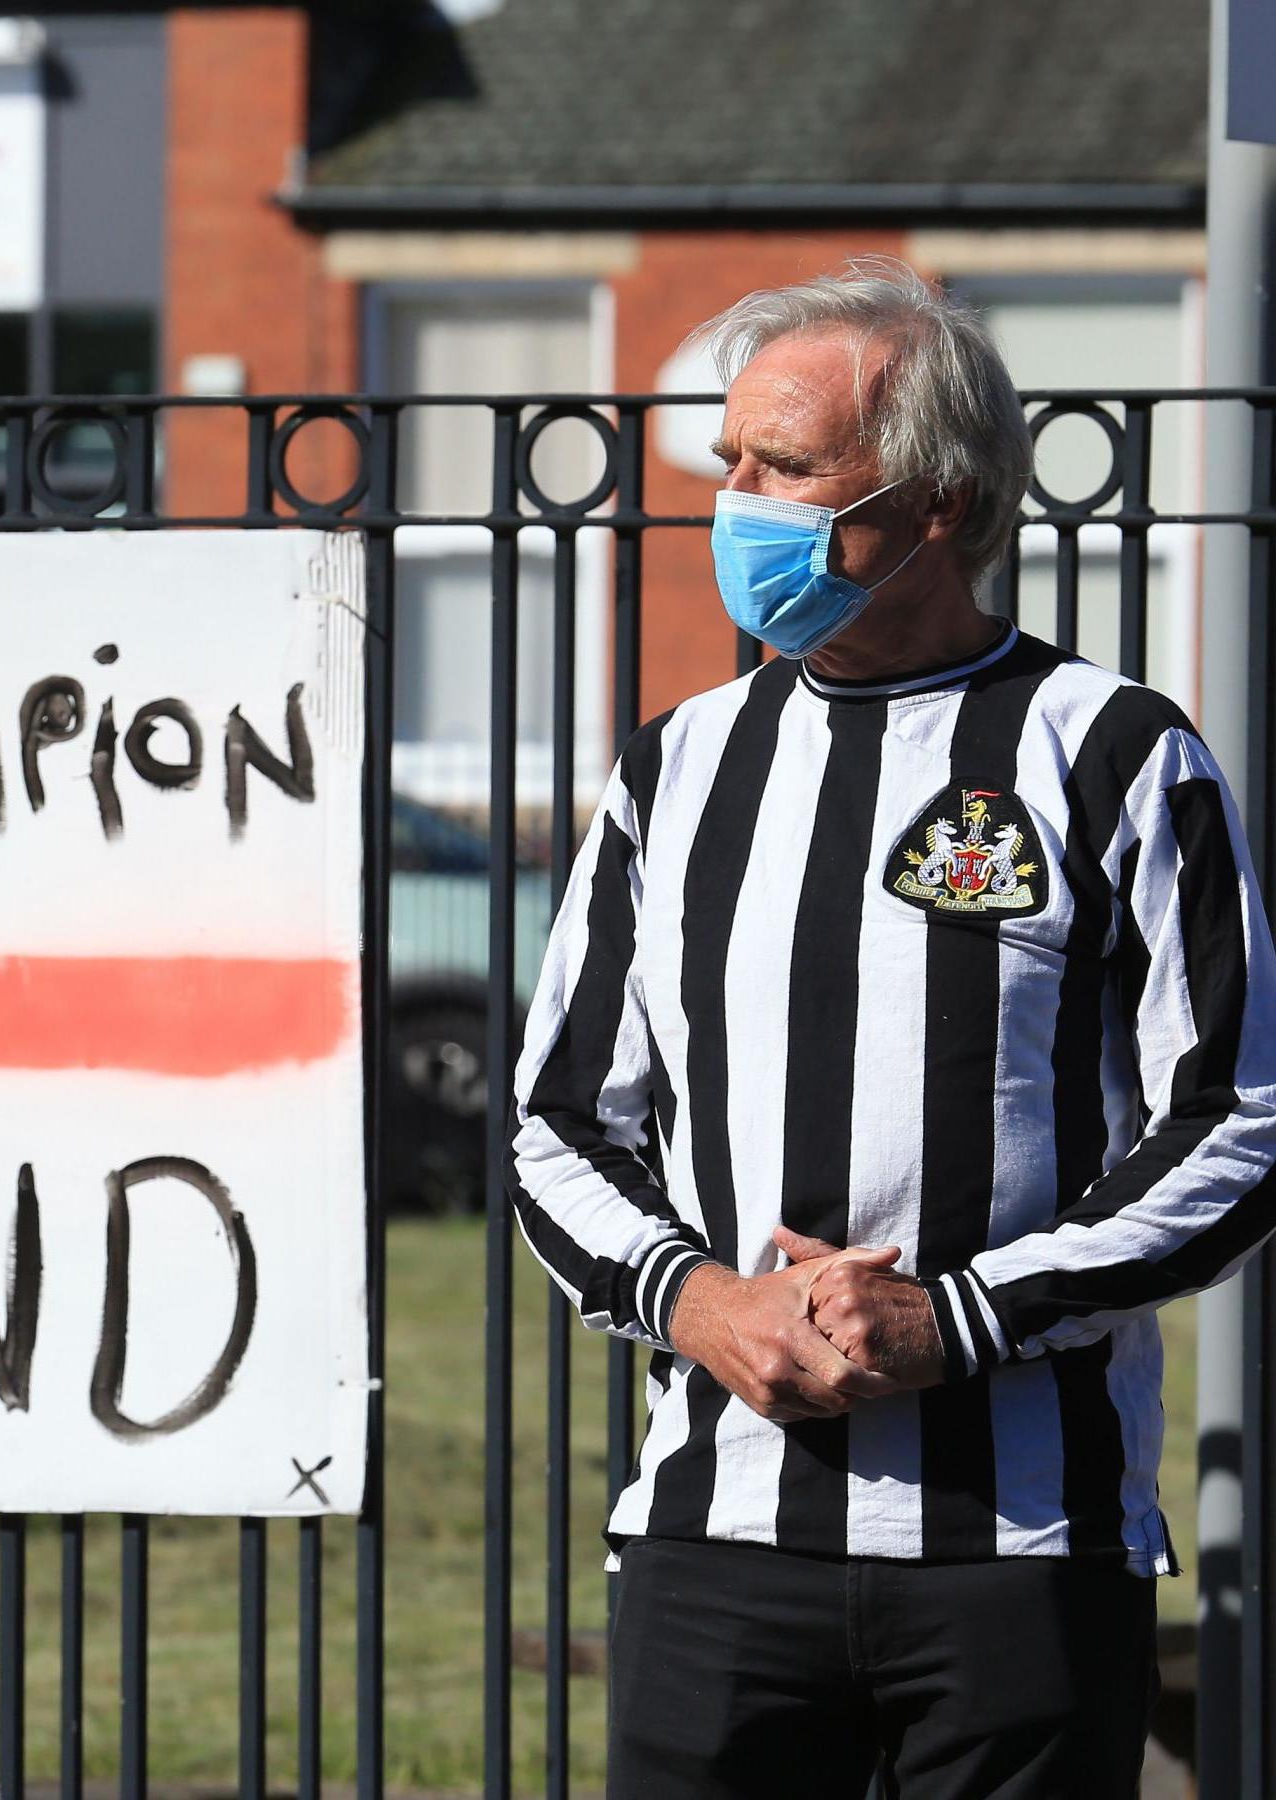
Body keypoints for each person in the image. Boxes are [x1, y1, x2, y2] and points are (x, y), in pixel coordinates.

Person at [510, 256, 1276, 1798]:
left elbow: (1238, 1120)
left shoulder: (1118, 753)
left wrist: (960, 1318)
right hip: (717, 1540)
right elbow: (555, 1123)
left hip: (1025, 1545)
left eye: (785, 468)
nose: (738, 499)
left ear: (935, 500)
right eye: (730, 461)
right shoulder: (679, 764)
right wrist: (698, 1304)